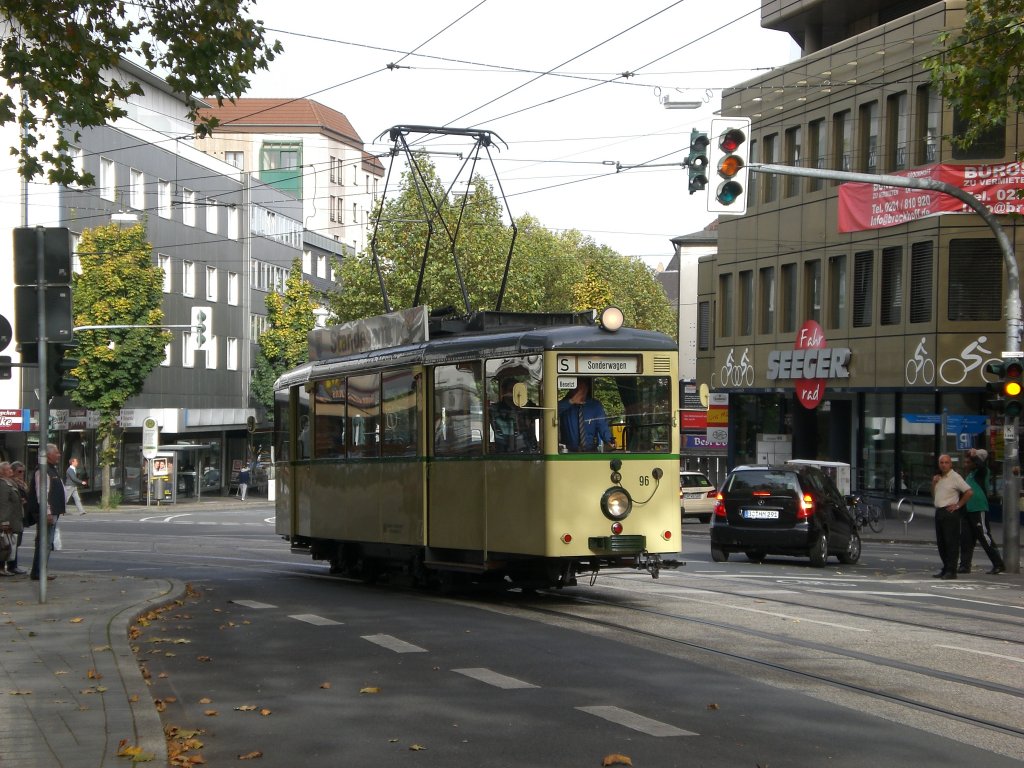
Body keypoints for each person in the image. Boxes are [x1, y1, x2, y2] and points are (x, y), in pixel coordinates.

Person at [958, 449, 1005, 575]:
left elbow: (981, 464)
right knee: (966, 539)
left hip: (979, 509)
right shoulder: (970, 475)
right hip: (967, 510)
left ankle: (998, 564)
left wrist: (975, 456)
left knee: (984, 537)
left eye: (969, 462)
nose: (966, 464)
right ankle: (964, 565)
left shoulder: (982, 472)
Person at [931, 453, 972, 580]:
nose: (944, 465)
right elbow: (934, 495)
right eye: (941, 462)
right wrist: (933, 483)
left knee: (951, 542)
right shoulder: (939, 477)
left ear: (951, 464)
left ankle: (951, 570)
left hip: (950, 512)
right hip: (939, 511)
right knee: (941, 543)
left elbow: (969, 492)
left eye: (946, 462)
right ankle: (946, 567)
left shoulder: (955, 477)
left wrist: (958, 505)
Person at [30, 443, 66, 581]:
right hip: (48, 513)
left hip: (52, 511)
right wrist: (47, 512)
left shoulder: (51, 469)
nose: (59, 455)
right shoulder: (43, 470)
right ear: (48, 454)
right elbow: (42, 493)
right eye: (56, 452)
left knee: (46, 542)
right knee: (44, 543)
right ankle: (39, 572)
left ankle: (40, 570)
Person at [558, 378, 614, 452]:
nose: (580, 392)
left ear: (587, 389)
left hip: (590, 451)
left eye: (582, 389)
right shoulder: (565, 405)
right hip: (568, 452)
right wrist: (571, 401)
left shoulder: (595, 405)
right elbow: (552, 412)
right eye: (577, 389)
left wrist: (609, 440)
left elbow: (602, 425)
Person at [490, 379, 539, 454]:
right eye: (511, 390)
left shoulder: (528, 406)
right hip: (503, 452)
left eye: (517, 390)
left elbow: (543, 414)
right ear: (504, 392)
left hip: (527, 450)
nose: (514, 393)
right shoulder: (495, 409)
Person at [0, 462, 24, 576]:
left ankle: (8, 567)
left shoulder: (11, 483)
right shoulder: (3, 484)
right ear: (2, 472)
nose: (11, 471)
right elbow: (3, 503)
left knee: (10, 543)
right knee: (5, 544)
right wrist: (3, 520)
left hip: (14, 518)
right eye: (8, 469)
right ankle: (2, 568)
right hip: (8, 519)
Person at [6, 461, 29, 574]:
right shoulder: (10, 483)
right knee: (11, 541)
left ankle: (12, 565)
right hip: (12, 516)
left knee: (16, 541)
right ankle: (11, 565)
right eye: (19, 471)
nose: (22, 474)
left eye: (23, 471)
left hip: (20, 514)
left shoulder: (22, 483)